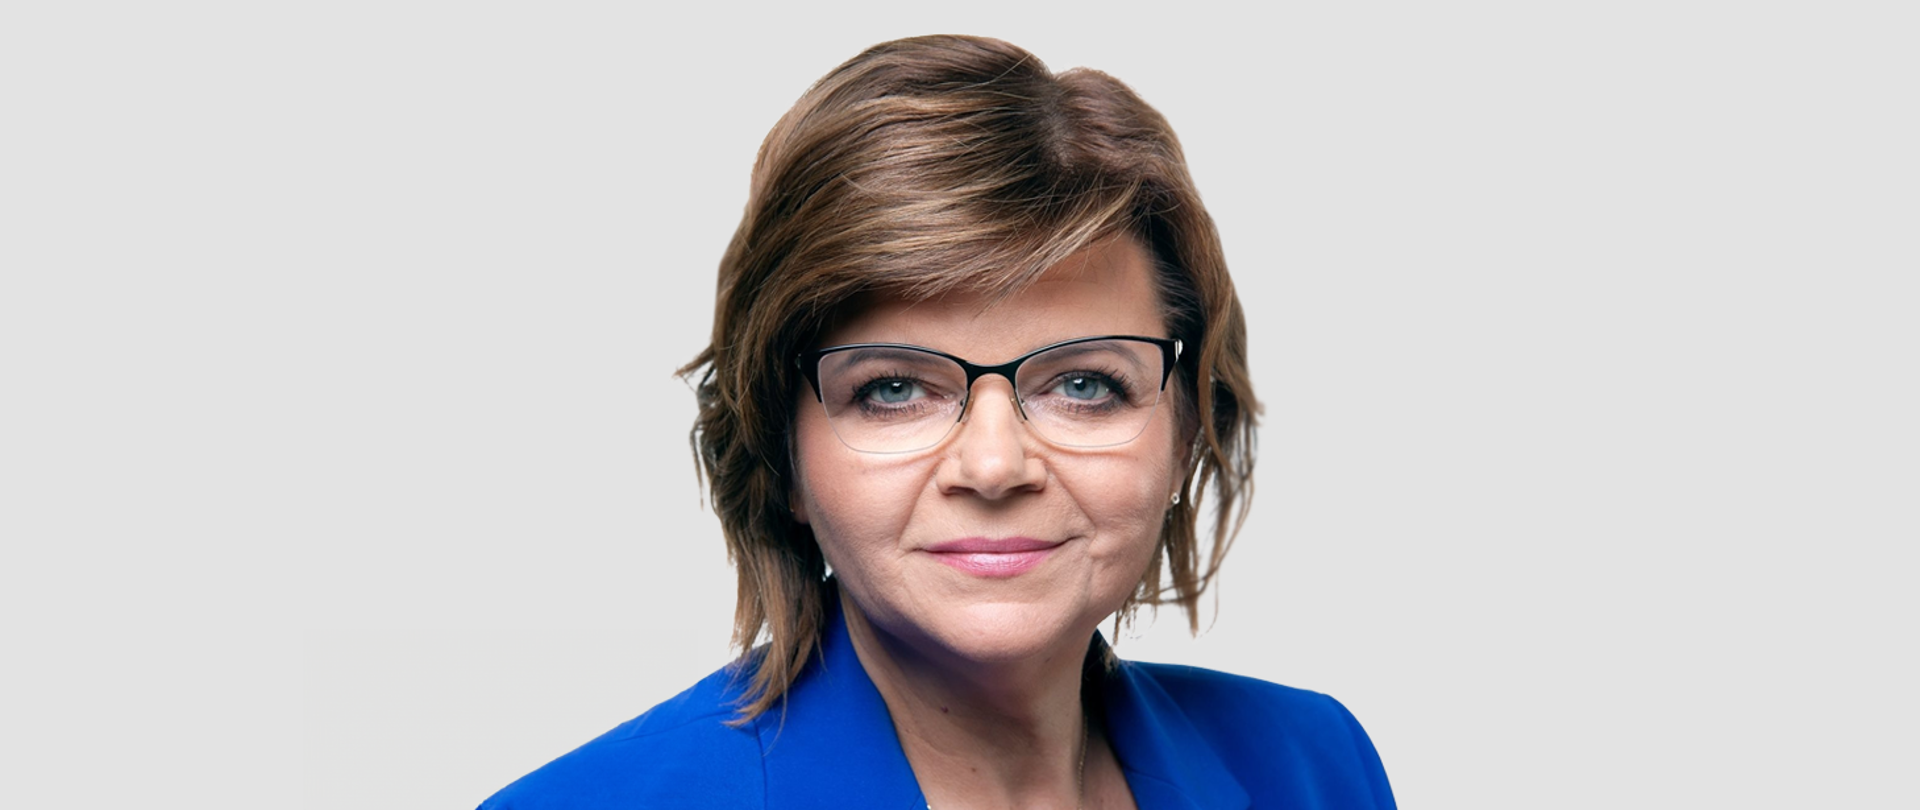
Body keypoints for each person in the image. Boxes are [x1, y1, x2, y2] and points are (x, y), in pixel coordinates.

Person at [480, 34, 1395, 809]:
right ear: (782, 452)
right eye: (891, 390)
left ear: (1186, 429)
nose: (994, 467)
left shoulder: (1311, 766)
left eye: (1084, 384)